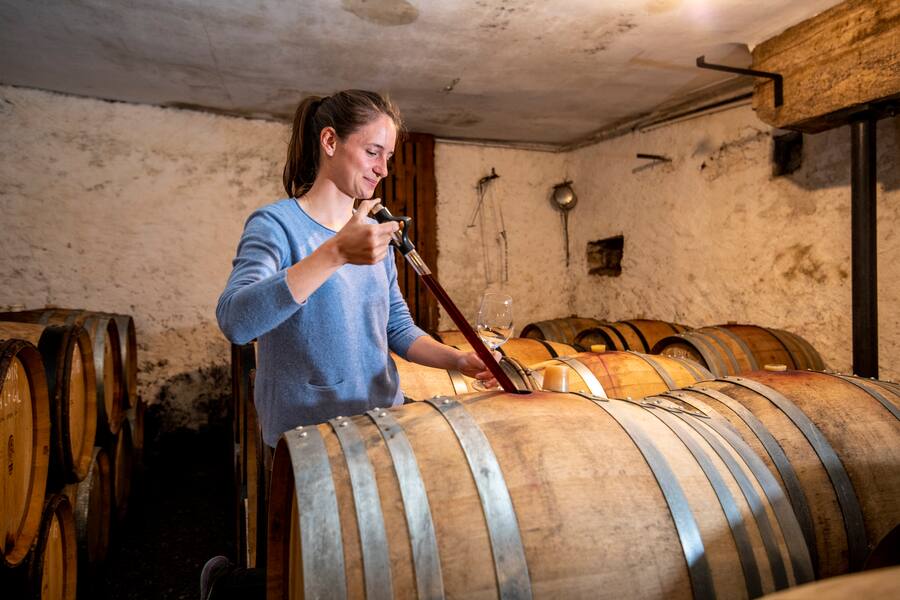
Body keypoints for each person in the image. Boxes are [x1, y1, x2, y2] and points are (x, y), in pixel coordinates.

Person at [201, 89, 497, 600]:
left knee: (375, 572)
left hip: (381, 424)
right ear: (331, 141)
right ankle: (226, 587)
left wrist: (460, 361)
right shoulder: (276, 225)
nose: (383, 168)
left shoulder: (374, 233)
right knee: (305, 578)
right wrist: (336, 251)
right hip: (306, 440)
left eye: (389, 156)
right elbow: (236, 320)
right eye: (373, 151)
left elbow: (396, 327)